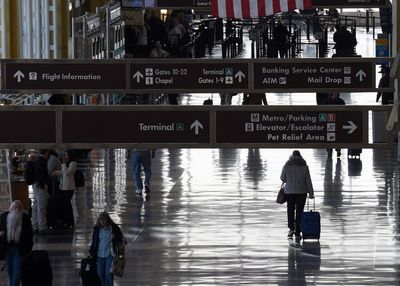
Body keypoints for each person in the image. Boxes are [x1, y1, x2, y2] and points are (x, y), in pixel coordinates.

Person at [280, 150, 314, 240]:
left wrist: (289, 179)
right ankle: (298, 232)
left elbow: (282, 178)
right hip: (302, 192)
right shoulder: (305, 167)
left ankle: (291, 229)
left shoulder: (287, 166)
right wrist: (311, 194)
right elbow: (308, 181)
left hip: (289, 192)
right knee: (300, 211)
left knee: (290, 210)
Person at [0, 200, 34, 286]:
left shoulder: (25, 218)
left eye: (19, 207)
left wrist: (28, 247)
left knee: (17, 270)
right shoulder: (4, 217)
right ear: (11, 208)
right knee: (10, 269)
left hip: (19, 248)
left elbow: (30, 234)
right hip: (7, 248)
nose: (17, 209)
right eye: (15, 207)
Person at [89, 212, 124, 286]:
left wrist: (115, 237)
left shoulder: (113, 228)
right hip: (99, 254)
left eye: (104, 220)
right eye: (100, 220)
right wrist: (91, 252)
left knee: (109, 273)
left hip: (110, 254)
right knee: (100, 273)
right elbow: (94, 242)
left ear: (107, 220)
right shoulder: (97, 229)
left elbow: (121, 237)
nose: (102, 222)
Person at [53, 150, 76, 229]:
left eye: (67, 155)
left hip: (69, 188)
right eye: (65, 155)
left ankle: (70, 221)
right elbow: (63, 172)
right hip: (63, 187)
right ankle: (65, 220)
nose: (66, 157)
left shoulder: (73, 164)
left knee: (67, 204)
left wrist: (63, 164)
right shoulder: (66, 165)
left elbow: (67, 173)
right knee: (63, 204)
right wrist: (57, 172)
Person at [32, 149, 50, 235]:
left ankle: (35, 225)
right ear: (46, 152)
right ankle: (42, 227)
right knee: (41, 206)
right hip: (40, 186)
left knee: (36, 205)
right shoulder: (42, 161)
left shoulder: (36, 160)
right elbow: (41, 174)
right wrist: (42, 185)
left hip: (35, 185)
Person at [322, 92, 345, 157]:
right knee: (329, 136)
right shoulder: (326, 101)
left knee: (337, 136)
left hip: (338, 121)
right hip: (328, 121)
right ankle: (329, 149)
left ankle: (338, 150)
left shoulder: (340, 101)